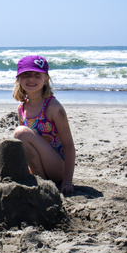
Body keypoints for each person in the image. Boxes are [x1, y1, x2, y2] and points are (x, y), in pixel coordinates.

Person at [12, 56, 76, 195]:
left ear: (46, 78)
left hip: (58, 168)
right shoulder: (21, 108)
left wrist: (67, 180)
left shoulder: (53, 107)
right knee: (18, 139)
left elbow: (69, 145)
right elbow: (25, 147)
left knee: (20, 133)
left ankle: (41, 182)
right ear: (19, 79)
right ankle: (39, 181)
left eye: (37, 75)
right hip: (37, 166)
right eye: (26, 75)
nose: (31, 79)